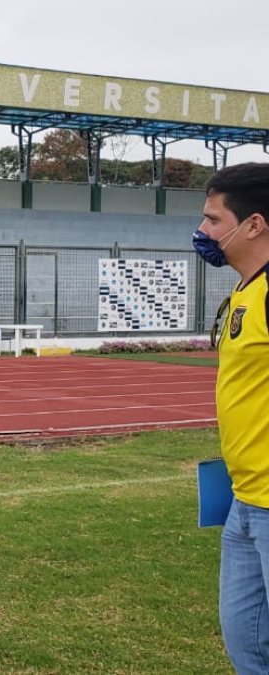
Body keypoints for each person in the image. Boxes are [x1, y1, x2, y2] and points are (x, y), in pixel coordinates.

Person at [195, 163, 269, 674]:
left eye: (214, 220)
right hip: (245, 500)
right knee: (247, 647)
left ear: (255, 225)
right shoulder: (246, 291)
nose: (202, 232)